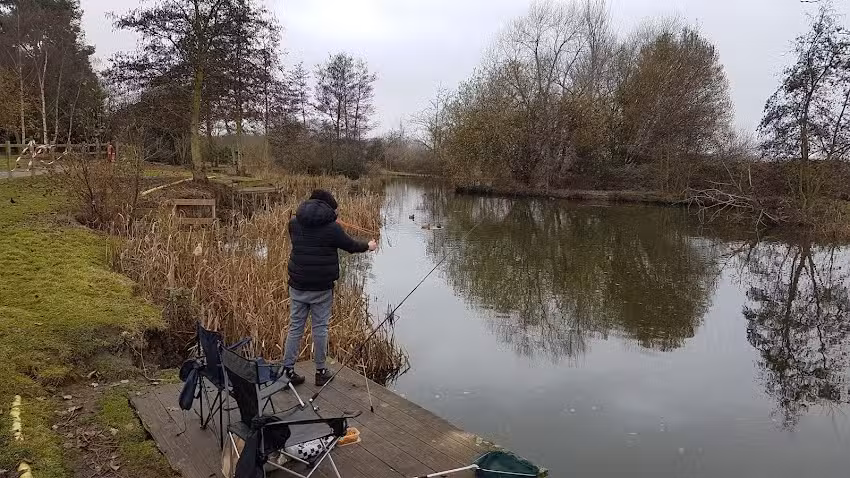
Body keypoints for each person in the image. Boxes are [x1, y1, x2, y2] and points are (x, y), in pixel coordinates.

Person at [282, 189, 377, 386]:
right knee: (320, 328)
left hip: (298, 285)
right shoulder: (332, 229)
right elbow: (351, 246)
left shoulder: (293, 224)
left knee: (295, 328)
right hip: (321, 287)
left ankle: (287, 371)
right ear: (328, 209)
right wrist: (369, 246)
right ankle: (321, 371)